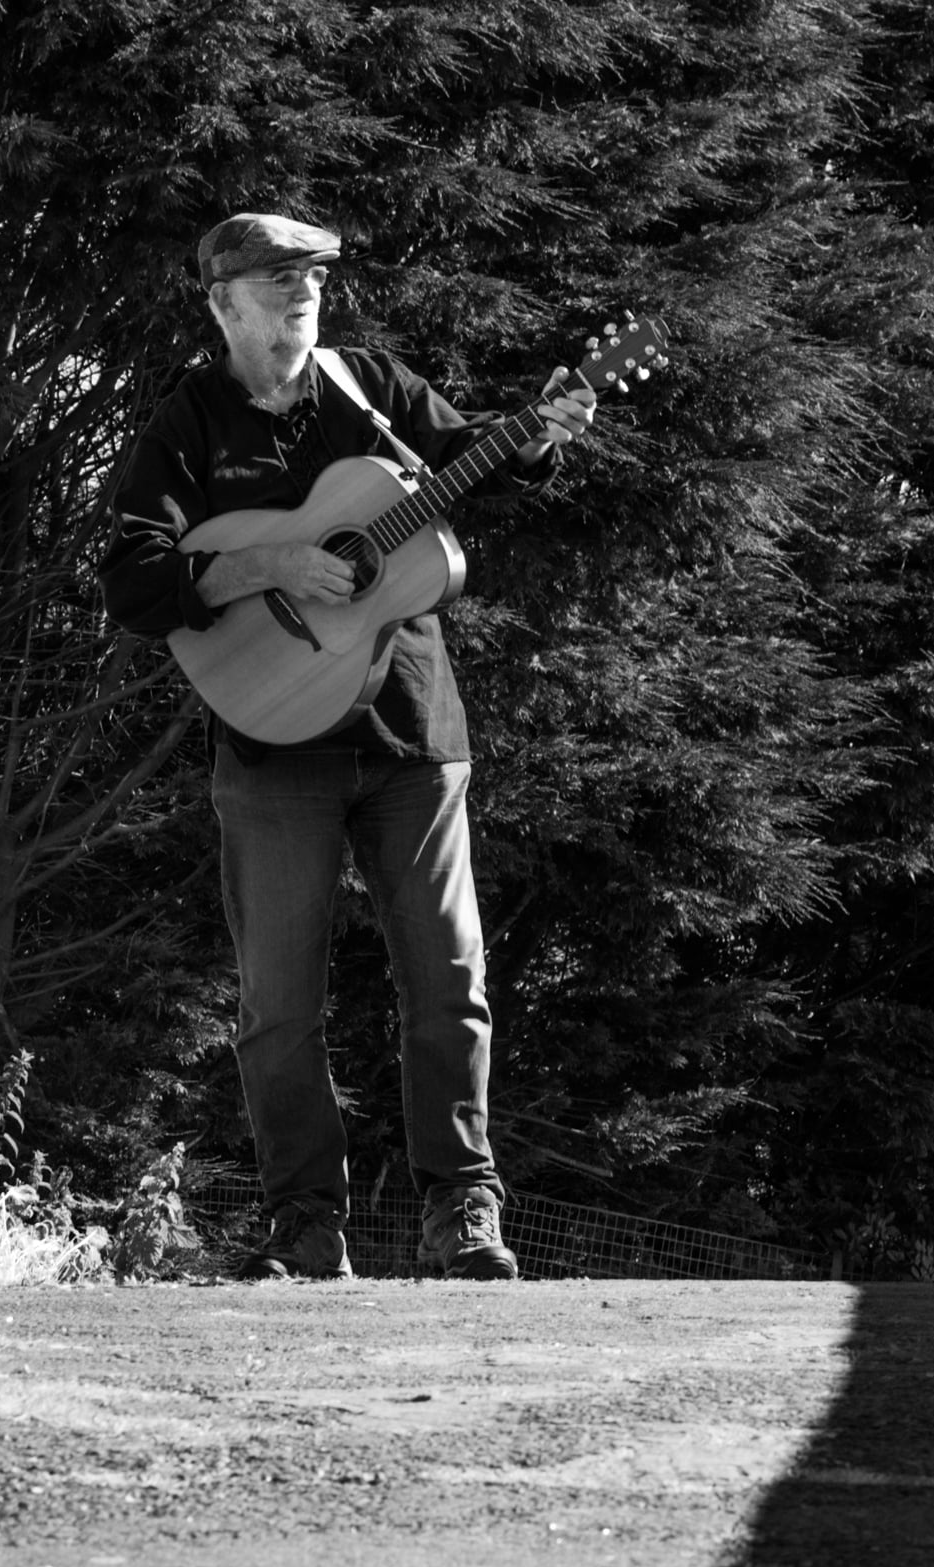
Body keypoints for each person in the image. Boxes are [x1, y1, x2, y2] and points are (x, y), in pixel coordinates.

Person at [100, 213, 596, 1281]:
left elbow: (473, 461)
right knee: (278, 1005)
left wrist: (539, 432)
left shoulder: (368, 385)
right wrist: (266, 563)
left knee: (449, 980)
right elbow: (135, 581)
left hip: (412, 733)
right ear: (223, 301)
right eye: (278, 280)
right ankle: (304, 1227)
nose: (302, 294)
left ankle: (462, 1211)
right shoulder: (189, 419)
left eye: (314, 276)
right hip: (272, 743)